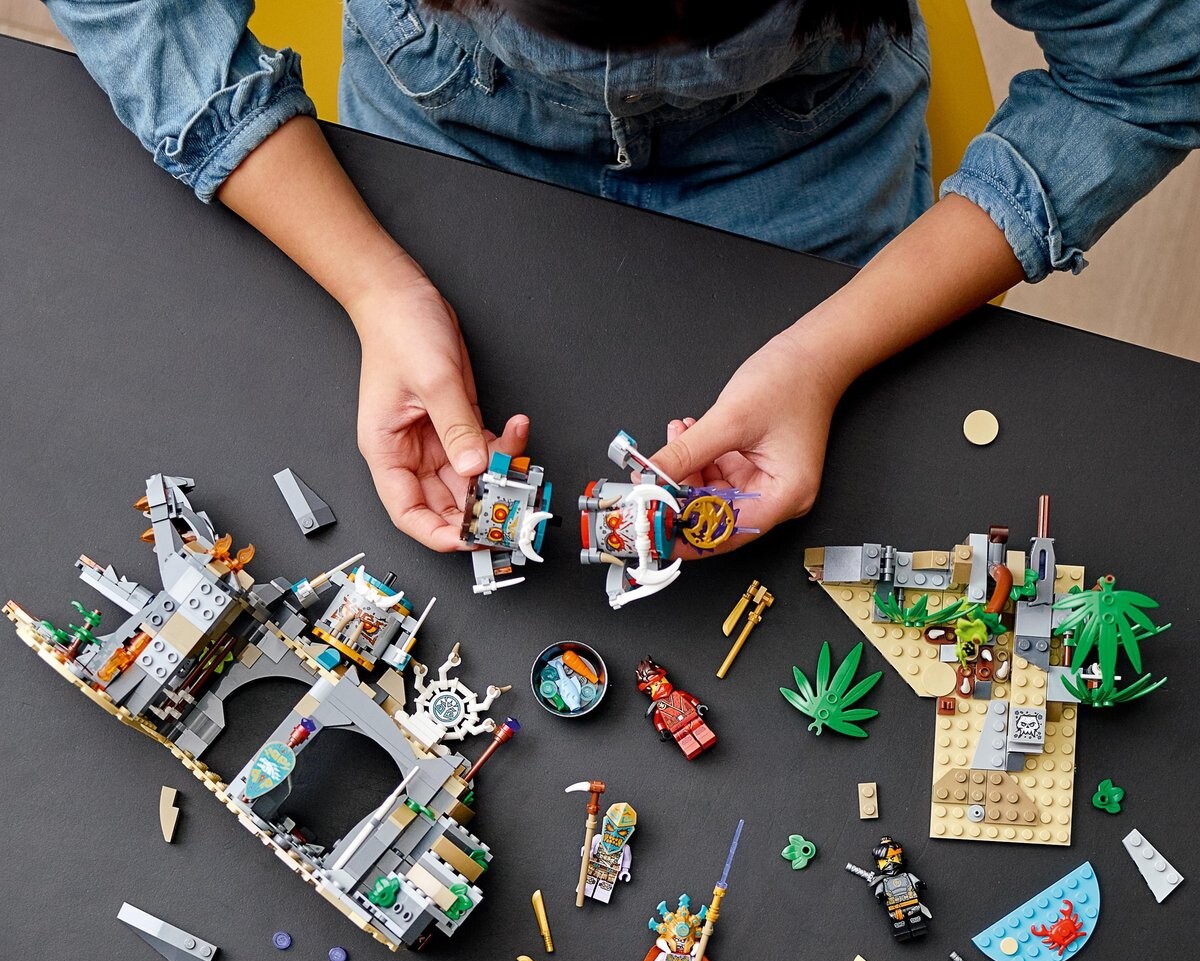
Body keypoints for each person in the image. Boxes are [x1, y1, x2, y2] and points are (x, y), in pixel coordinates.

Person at [46, 1, 1200, 553]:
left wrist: (825, 352)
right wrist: (373, 285)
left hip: (807, 150)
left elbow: (1148, 76)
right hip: (440, 121)